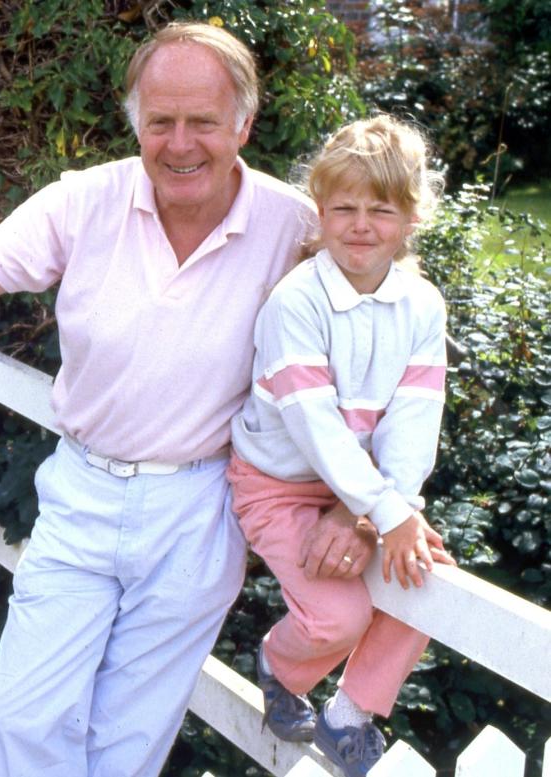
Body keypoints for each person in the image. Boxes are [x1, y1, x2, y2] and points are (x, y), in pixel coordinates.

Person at [0, 20, 375, 777]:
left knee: (128, 741)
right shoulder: (85, 203)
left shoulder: (295, 227)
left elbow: (378, 366)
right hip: (83, 492)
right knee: (24, 714)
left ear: (244, 125)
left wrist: (353, 502)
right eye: (161, 121)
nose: (181, 143)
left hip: (199, 509)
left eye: (204, 122)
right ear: (136, 124)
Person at [226, 116, 454, 777]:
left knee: (427, 580)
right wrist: (382, 512)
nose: (360, 225)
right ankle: (279, 663)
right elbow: (316, 429)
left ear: (411, 218)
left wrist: (397, 509)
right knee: (337, 616)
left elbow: (414, 419)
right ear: (319, 211)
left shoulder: (421, 306)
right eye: (344, 207)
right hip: (277, 481)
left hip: (364, 485)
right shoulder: (295, 302)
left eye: (380, 209)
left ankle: (349, 715)